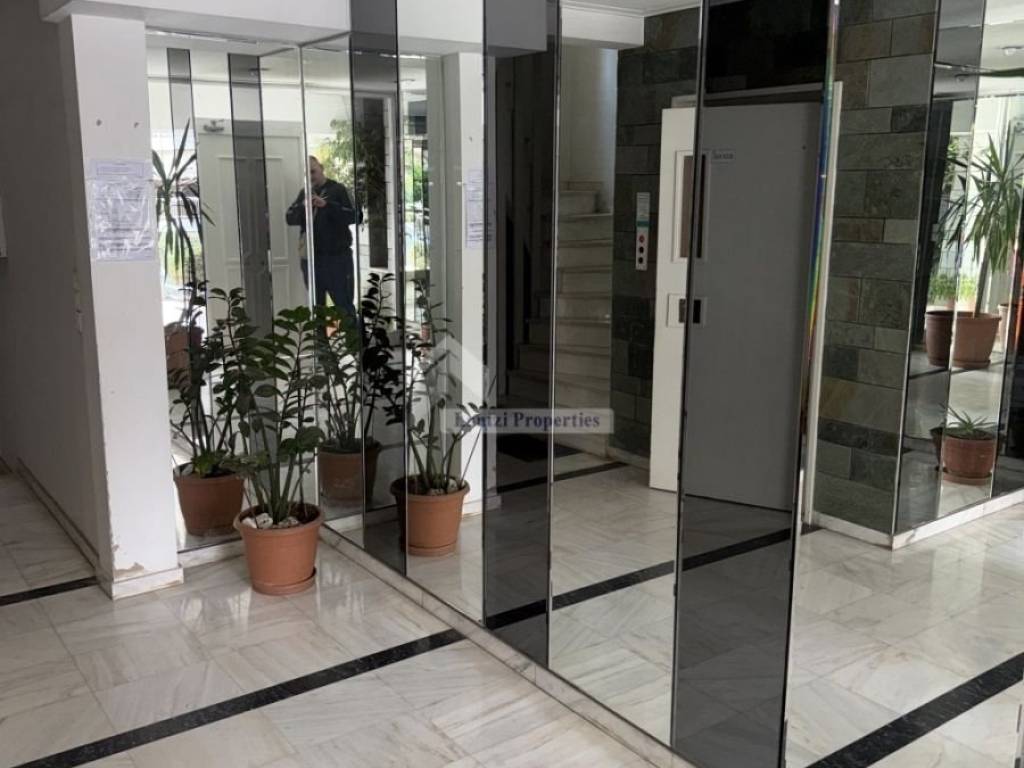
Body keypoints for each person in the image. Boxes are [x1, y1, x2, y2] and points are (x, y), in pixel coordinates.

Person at [286, 156, 361, 317]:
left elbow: (355, 216)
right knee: (317, 310)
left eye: (313, 171)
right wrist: (302, 206)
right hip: (312, 261)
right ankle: (320, 335)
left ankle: (350, 335)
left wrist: (327, 205)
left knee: (344, 307)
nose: (311, 176)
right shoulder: (304, 194)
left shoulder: (339, 190)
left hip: (338, 260)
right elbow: (289, 219)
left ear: (321, 168)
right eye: (307, 173)